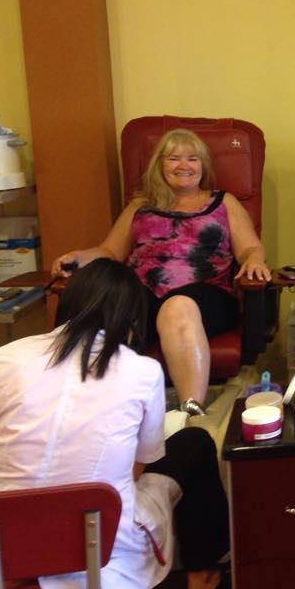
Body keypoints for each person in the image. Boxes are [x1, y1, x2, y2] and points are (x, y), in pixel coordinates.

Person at [0, 259, 230, 589]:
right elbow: (141, 464)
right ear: (132, 319)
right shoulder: (142, 371)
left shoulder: (5, 357)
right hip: (99, 550)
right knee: (195, 442)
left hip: (5, 552)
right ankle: (202, 578)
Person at [51, 128, 271, 414]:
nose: (183, 165)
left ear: (203, 166)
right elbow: (110, 252)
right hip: (145, 295)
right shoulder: (140, 206)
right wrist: (79, 257)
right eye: (173, 158)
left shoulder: (223, 202)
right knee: (115, 302)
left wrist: (254, 259)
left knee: (177, 306)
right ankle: (103, 408)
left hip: (208, 296)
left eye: (192, 158)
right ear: (160, 165)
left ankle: (191, 411)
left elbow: (250, 248)